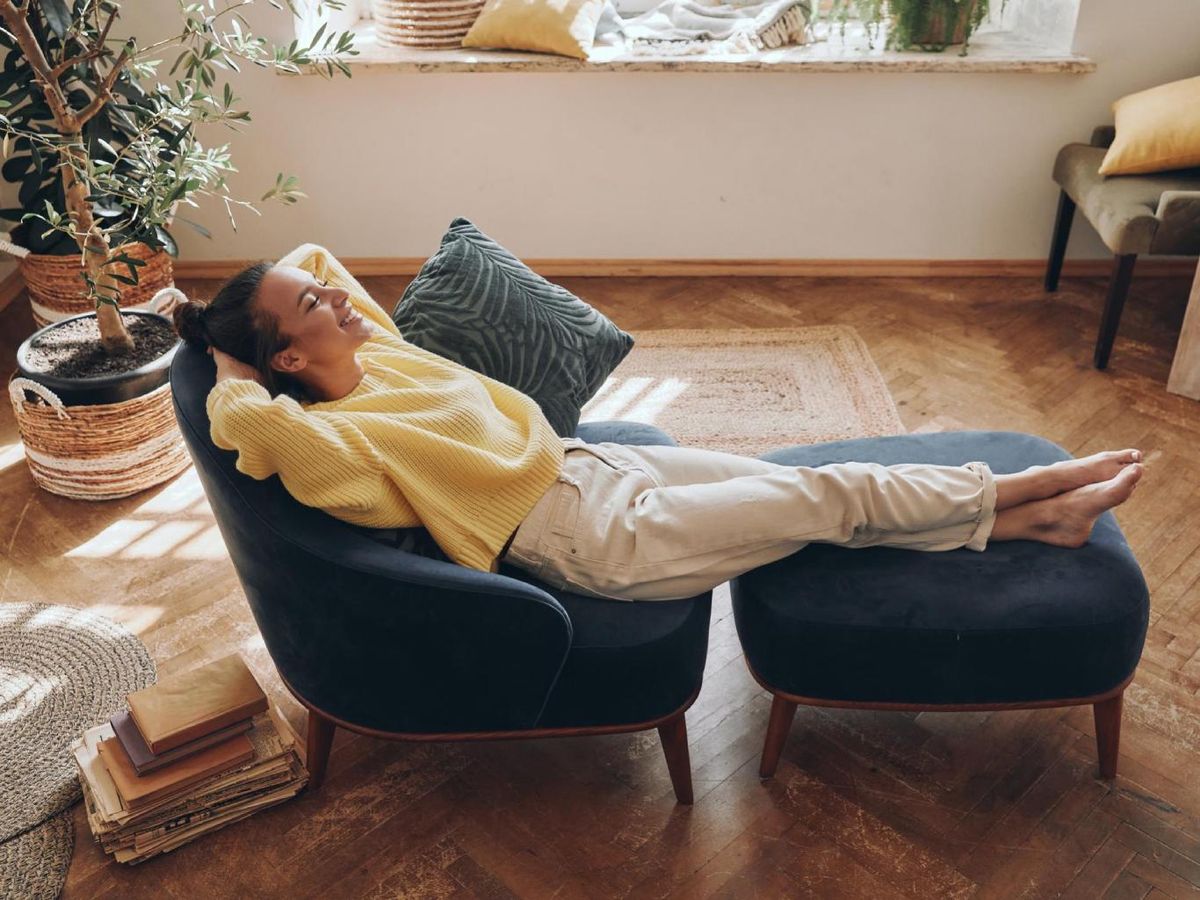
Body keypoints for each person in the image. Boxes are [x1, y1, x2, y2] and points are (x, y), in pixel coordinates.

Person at [173, 247, 1144, 602]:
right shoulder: (338, 439)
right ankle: (1024, 490)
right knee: (827, 491)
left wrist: (256, 309)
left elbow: (314, 257)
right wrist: (223, 363)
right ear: (288, 363)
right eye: (315, 310)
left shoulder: (374, 352)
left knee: (803, 493)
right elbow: (256, 431)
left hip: (588, 470)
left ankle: (1023, 523)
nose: (342, 301)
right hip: (593, 540)